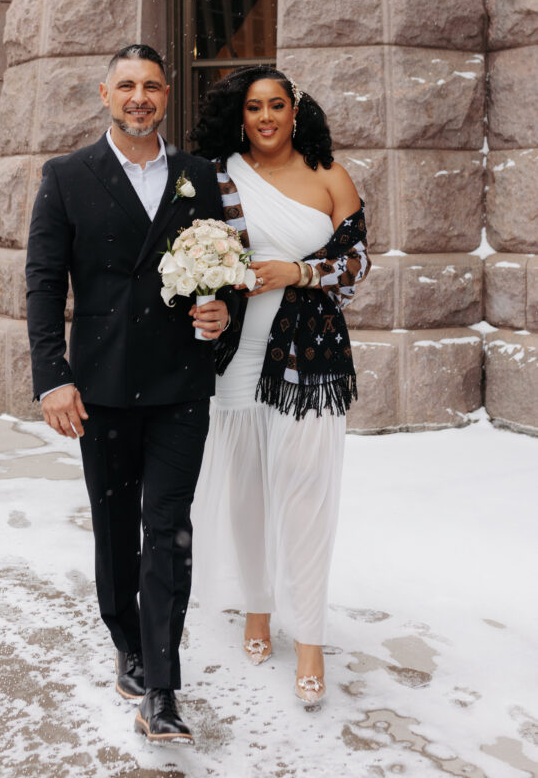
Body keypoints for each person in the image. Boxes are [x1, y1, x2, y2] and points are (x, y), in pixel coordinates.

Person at [25, 44, 235, 744]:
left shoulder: (198, 175)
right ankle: (129, 643)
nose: (138, 97)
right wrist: (52, 376)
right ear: (104, 94)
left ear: (167, 94)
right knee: (117, 529)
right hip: (102, 386)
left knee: (168, 531)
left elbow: (223, 268)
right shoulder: (66, 176)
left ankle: (164, 691)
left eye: (150, 86)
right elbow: (45, 281)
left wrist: (220, 312)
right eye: (125, 87)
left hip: (179, 382)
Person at [190, 65, 370, 703]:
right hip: (237, 354)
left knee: (306, 492)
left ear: (296, 112)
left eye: (276, 105)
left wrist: (296, 270)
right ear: (239, 117)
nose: (265, 117)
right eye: (252, 108)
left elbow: (355, 265)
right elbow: (192, 252)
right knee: (248, 490)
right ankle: (258, 609)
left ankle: (312, 641)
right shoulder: (217, 175)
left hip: (310, 358)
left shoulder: (330, 177)